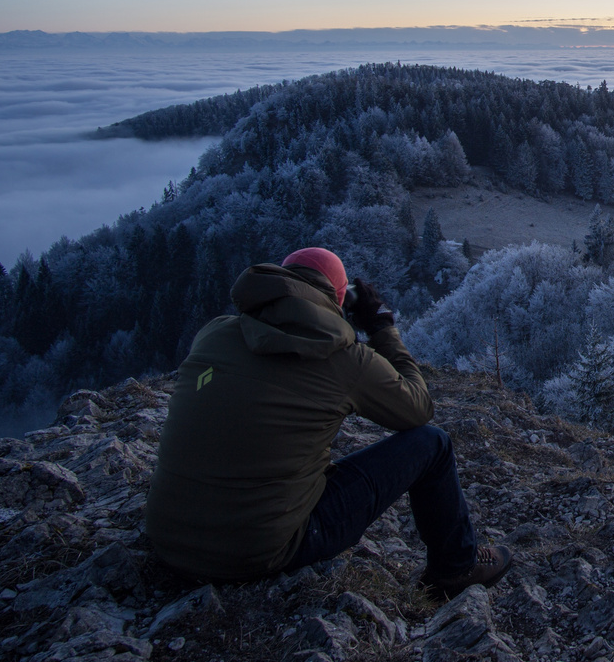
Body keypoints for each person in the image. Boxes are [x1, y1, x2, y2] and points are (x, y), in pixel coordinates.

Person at [145, 246, 509, 597]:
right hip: (257, 551)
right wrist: (382, 328)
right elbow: (418, 408)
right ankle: (456, 568)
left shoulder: (214, 332)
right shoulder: (344, 357)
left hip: (167, 538)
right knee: (433, 443)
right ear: (335, 300)